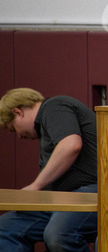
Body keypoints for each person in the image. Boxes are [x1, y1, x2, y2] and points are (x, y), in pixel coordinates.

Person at [0, 88, 98, 252]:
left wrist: (35, 186)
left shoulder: (54, 106)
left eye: (13, 128)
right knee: (5, 229)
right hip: (59, 199)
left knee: (58, 235)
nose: (18, 136)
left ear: (18, 112)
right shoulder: (47, 126)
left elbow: (71, 145)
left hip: (92, 193)